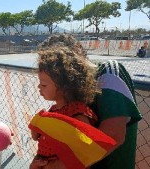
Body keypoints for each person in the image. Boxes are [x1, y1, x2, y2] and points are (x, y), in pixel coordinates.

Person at [30, 34, 142, 169]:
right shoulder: (71, 90)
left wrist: (60, 165)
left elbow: (113, 136)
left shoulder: (108, 72)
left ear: (76, 51)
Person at [29, 42, 102, 169]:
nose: (39, 87)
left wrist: (59, 165)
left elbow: (85, 151)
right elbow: (36, 136)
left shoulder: (77, 111)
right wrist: (36, 125)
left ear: (64, 87)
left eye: (44, 85)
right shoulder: (53, 111)